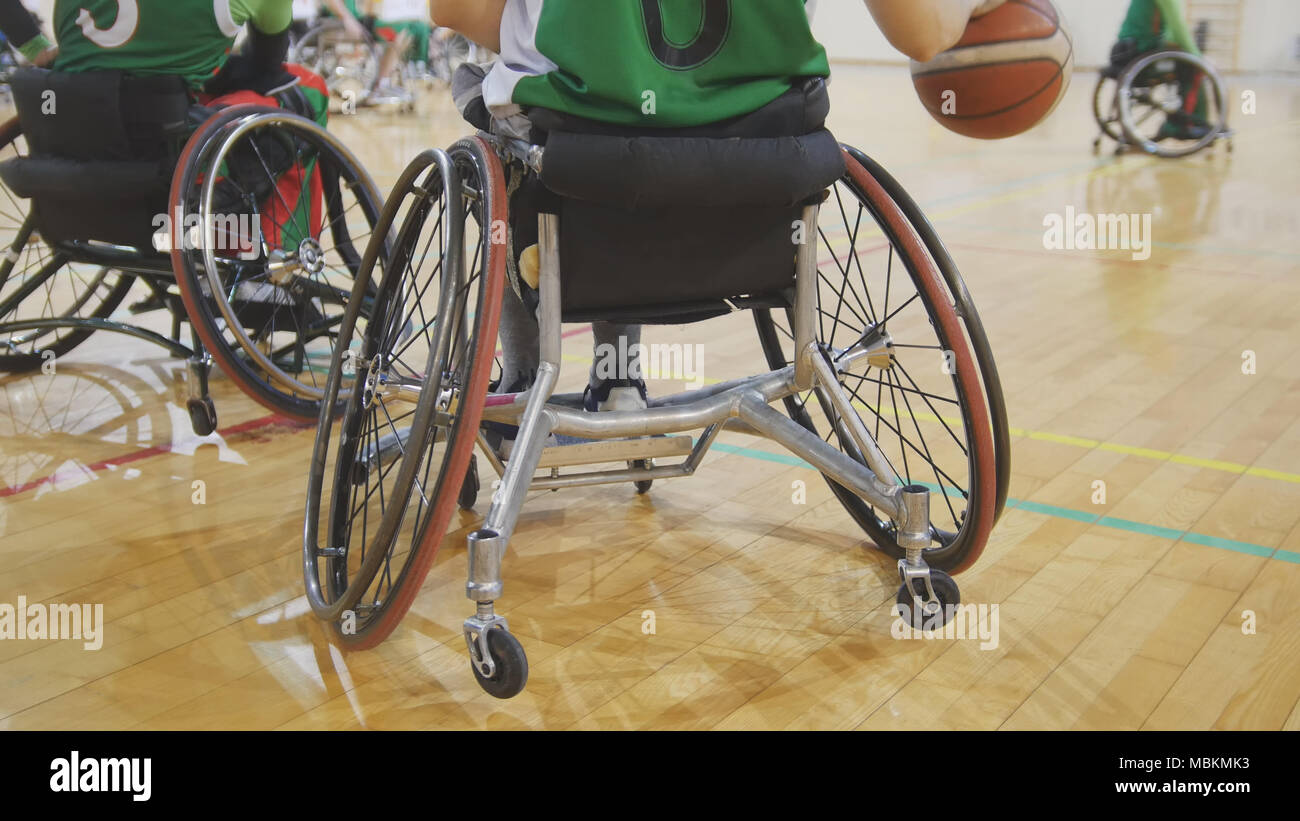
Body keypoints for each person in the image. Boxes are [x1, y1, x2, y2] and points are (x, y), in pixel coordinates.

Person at [428, 0, 1007, 454]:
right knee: (631, 124)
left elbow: (455, 10)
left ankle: (526, 377)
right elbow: (925, 33)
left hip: (587, 161)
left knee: (518, 116)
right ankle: (619, 377)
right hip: (762, 164)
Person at [1109, 0, 1211, 140]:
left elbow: (1169, 33)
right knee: (1194, 68)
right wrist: (1198, 57)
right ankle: (1185, 125)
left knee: (1185, 61)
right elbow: (1177, 27)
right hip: (1141, 53)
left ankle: (1190, 123)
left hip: (1128, 51)